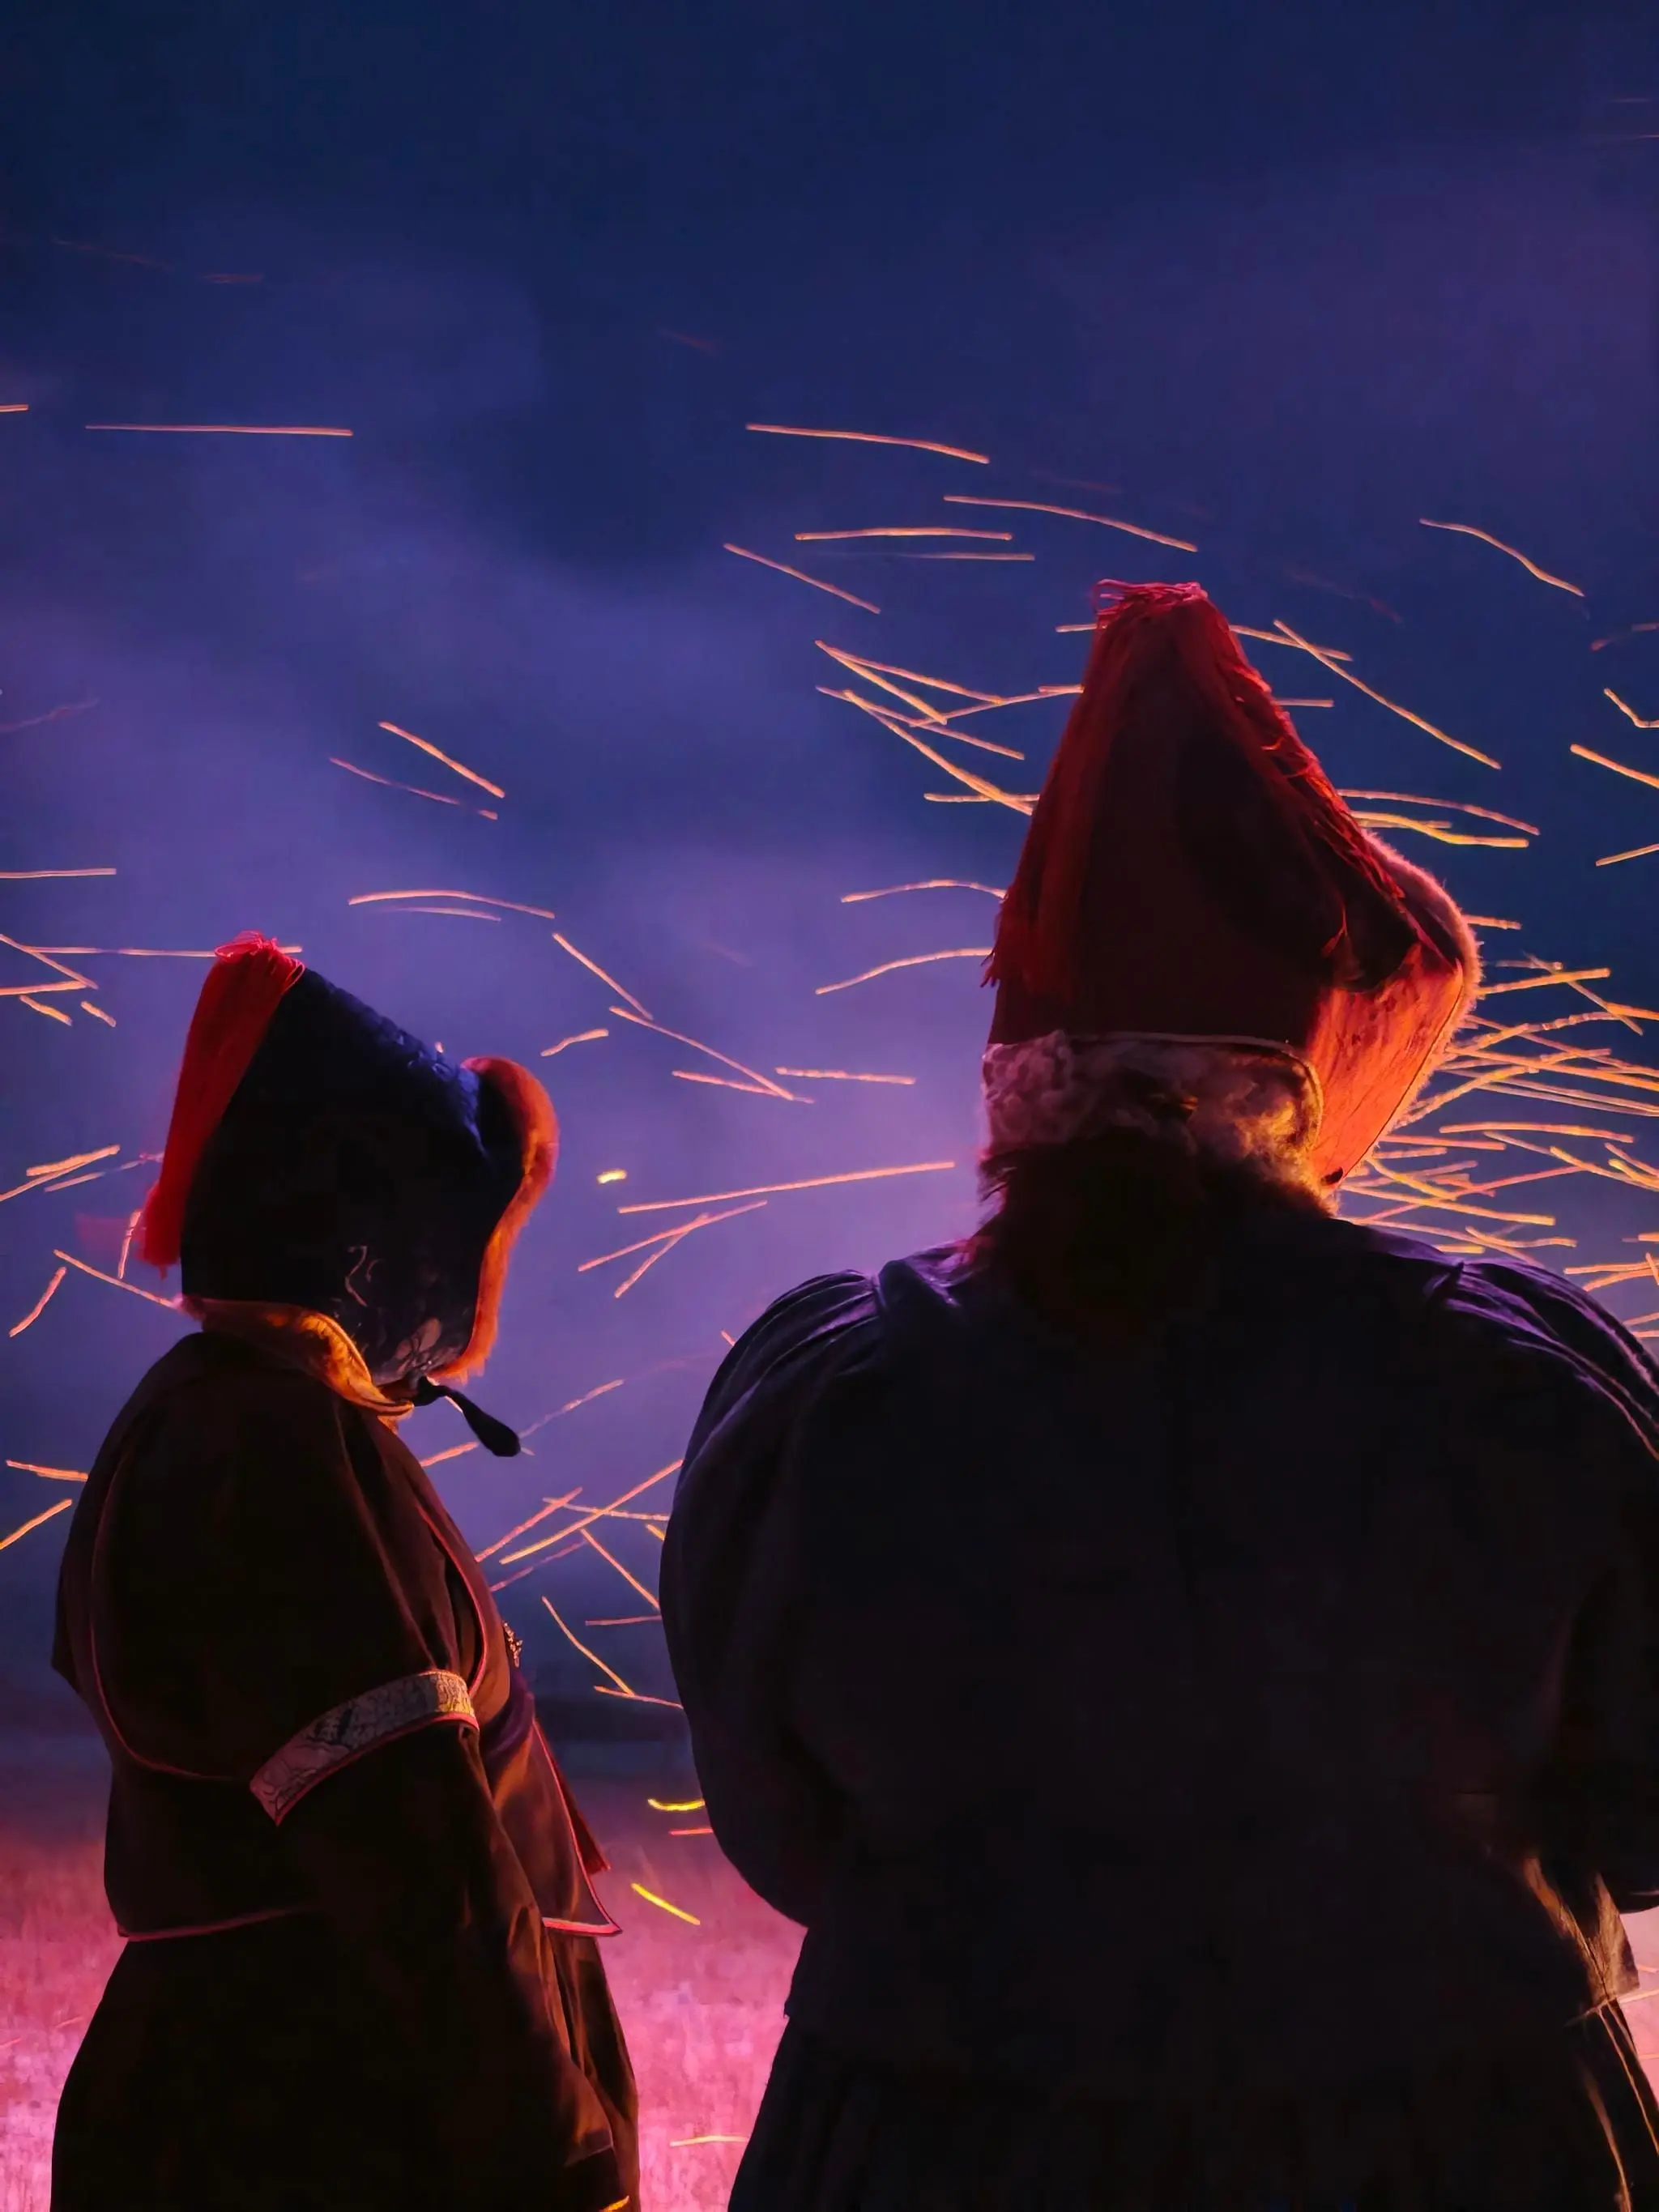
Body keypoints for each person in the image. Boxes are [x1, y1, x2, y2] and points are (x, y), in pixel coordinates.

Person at [661, 583, 1659, 2210]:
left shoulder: (833, 1386)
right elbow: (1648, 1805)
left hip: (945, 2143)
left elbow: (781, 1822)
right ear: (1295, 1091)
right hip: (1459, 2141)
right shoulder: (1518, 1372)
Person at [52, 935, 637, 2212]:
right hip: (328, 2121)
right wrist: (562, 2164)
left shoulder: (211, 1415)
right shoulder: (276, 1450)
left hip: (280, 2095)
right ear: (371, 1249)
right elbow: (419, 1861)